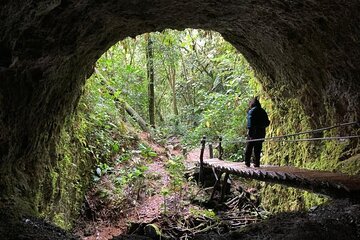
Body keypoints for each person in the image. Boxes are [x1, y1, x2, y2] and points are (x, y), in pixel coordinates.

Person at [244, 97, 270, 167]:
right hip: (261, 133)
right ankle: (256, 163)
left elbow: (250, 124)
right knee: (258, 149)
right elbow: (267, 123)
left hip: (252, 133)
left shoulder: (251, 111)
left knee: (249, 148)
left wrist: (250, 132)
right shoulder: (263, 111)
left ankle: (247, 163)